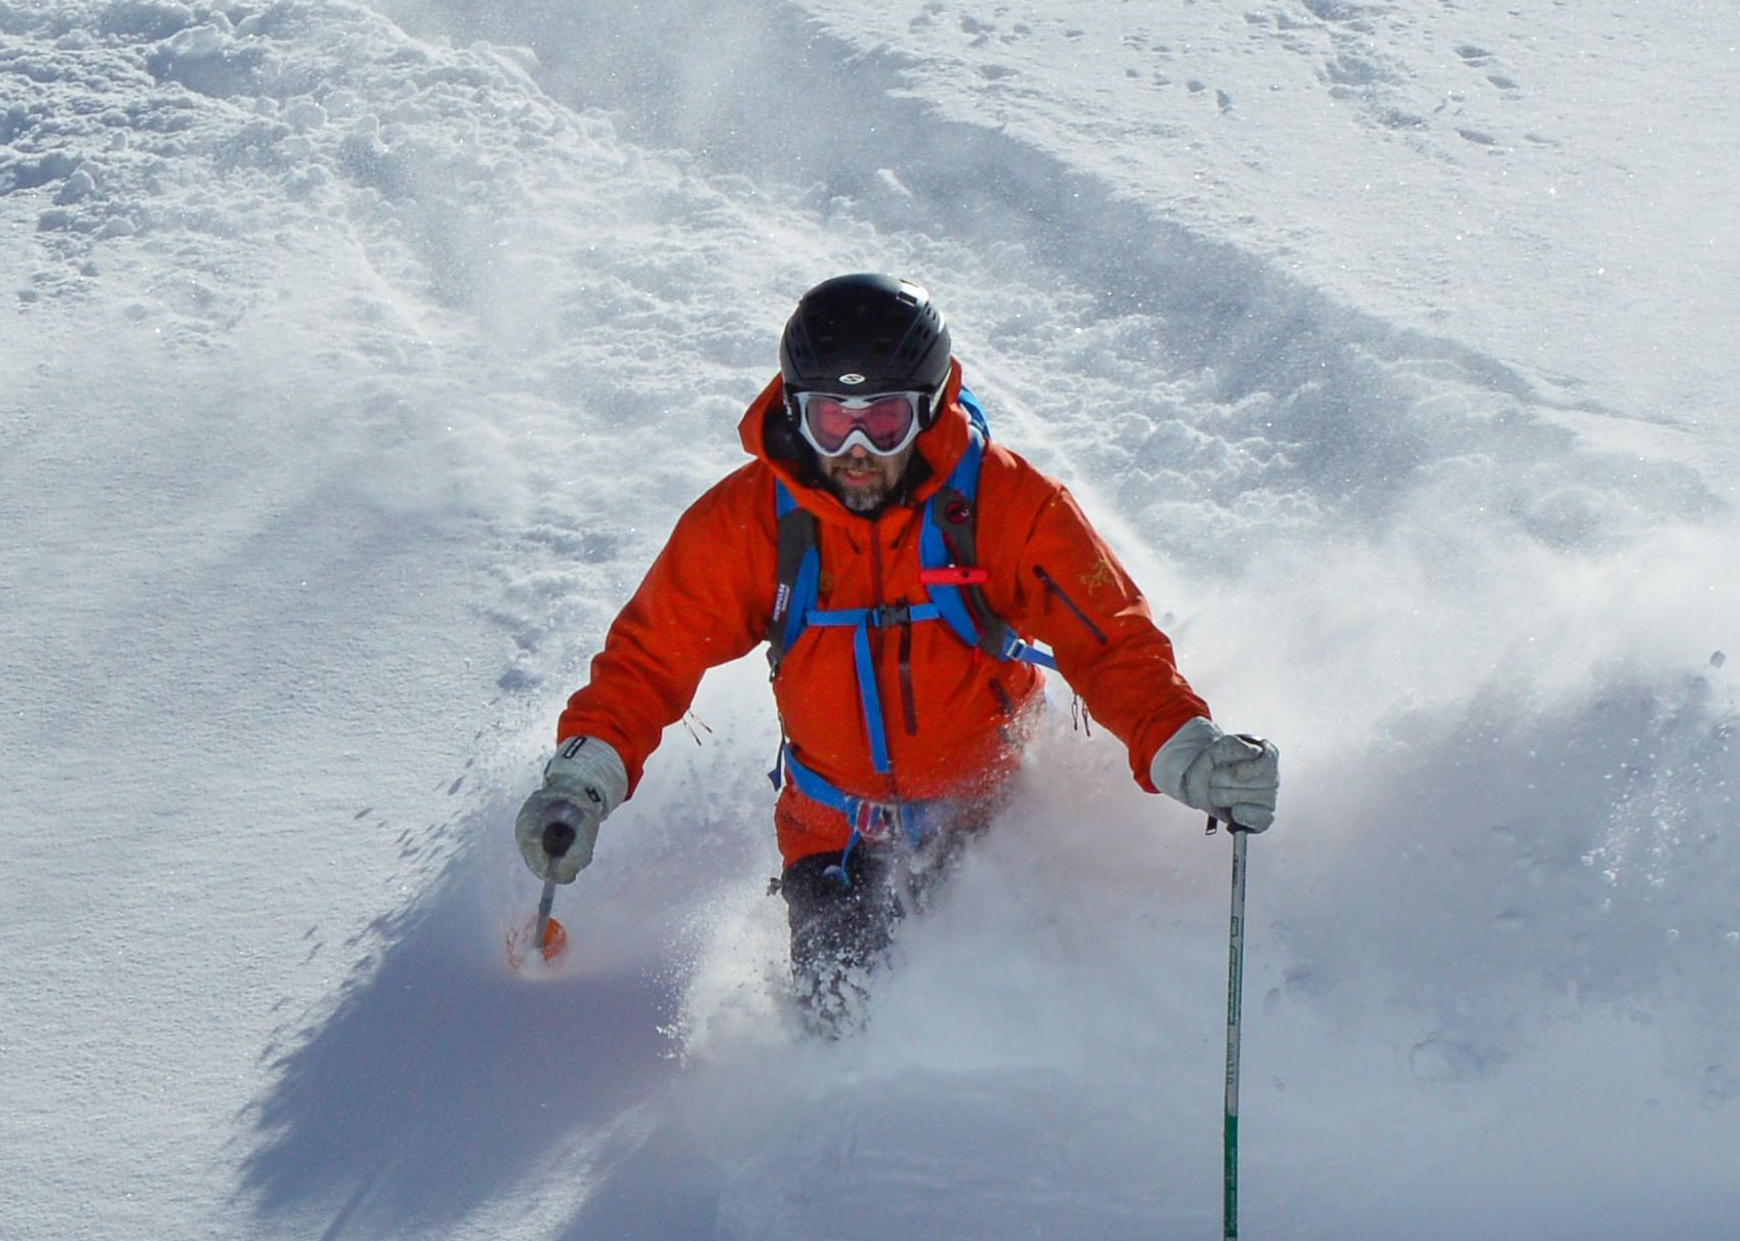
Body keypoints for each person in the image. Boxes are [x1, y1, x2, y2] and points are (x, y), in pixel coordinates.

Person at [518, 274, 1278, 1012]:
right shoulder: (753, 521)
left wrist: (1185, 746)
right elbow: (649, 660)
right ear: (793, 409)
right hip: (832, 839)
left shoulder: (1004, 506)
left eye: (881, 422)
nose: (854, 448)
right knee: (845, 1025)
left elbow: (1110, 642)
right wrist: (583, 779)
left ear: (929, 408)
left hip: (995, 821)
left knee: (1007, 1025)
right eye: (827, 419)